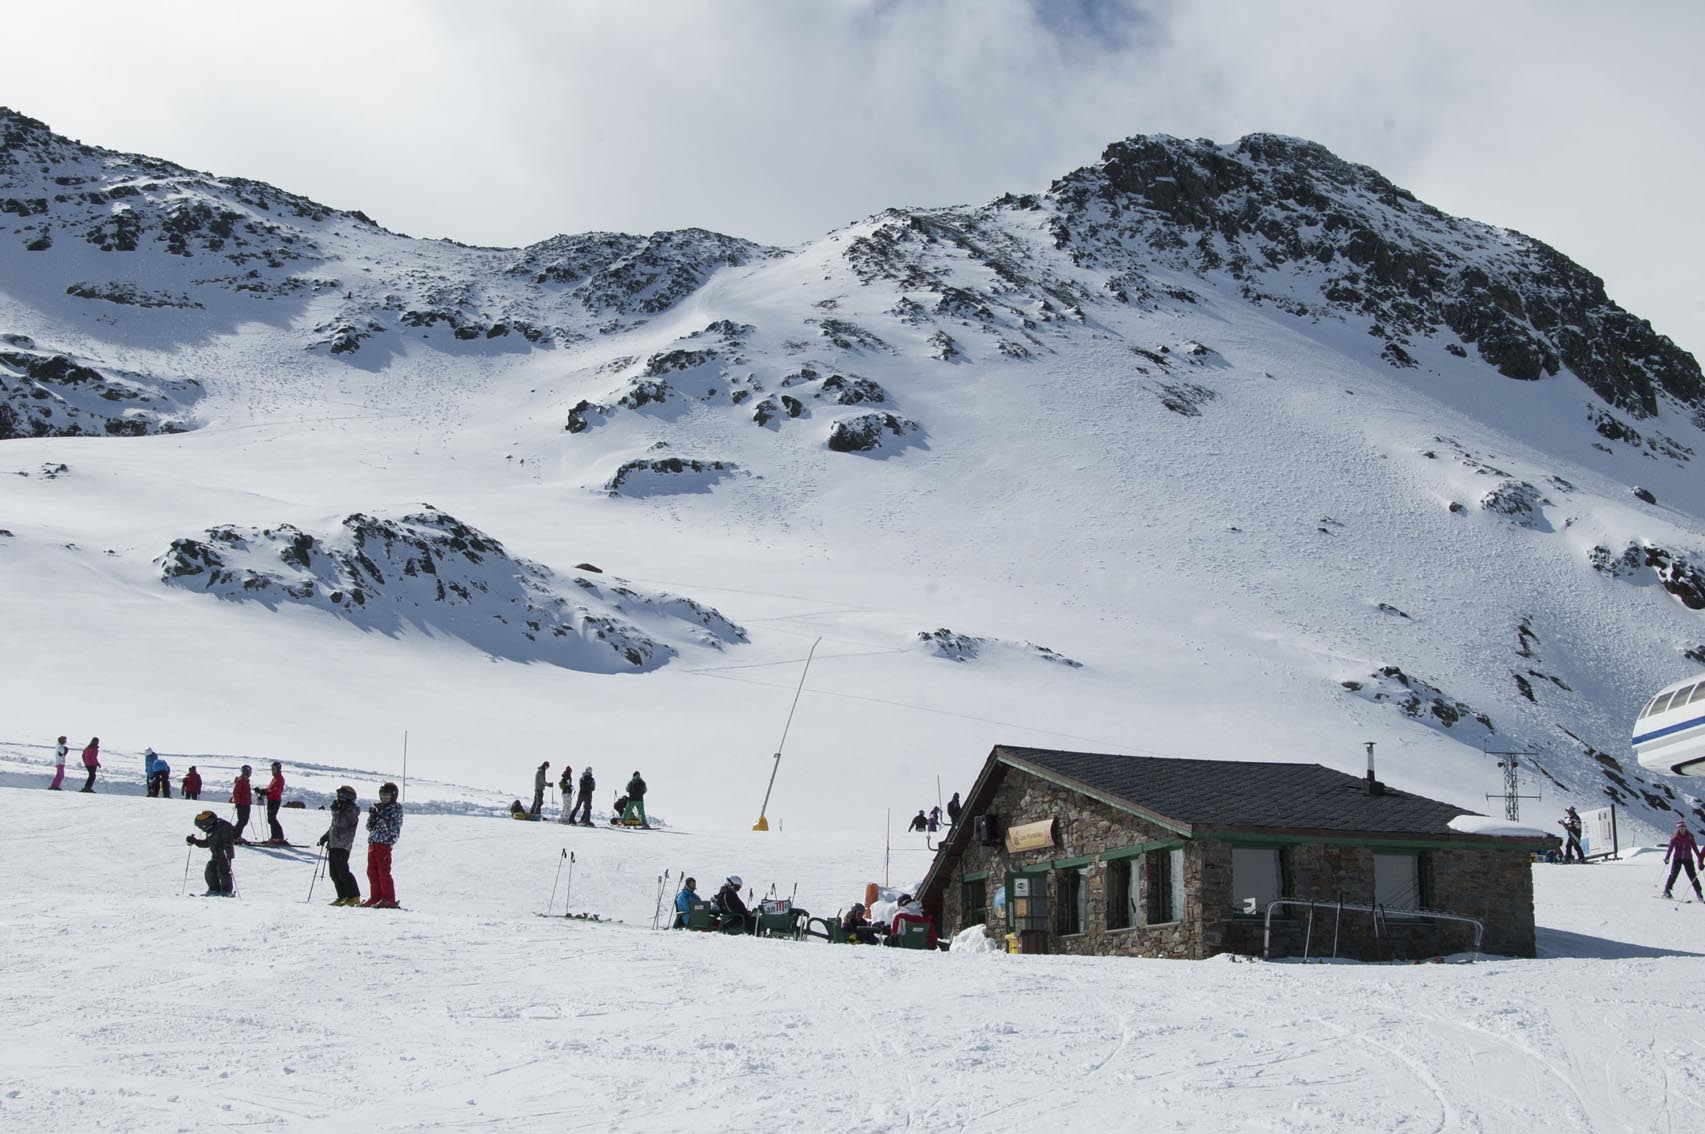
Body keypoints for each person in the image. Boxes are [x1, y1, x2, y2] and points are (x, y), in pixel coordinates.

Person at [317, 785, 362, 906]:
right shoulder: (340, 809)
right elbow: (334, 826)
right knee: (334, 873)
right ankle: (342, 895)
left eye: (339, 796)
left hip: (343, 844)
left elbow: (342, 824)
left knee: (343, 871)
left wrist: (337, 811)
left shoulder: (351, 811)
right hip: (334, 843)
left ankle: (353, 895)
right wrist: (326, 836)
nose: (337, 798)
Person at [363, 781, 403, 908]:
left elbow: (393, 829)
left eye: (387, 796)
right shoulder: (379, 808)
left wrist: (381, 817)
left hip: (384, 844)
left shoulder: (395, 809)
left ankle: (388, 899)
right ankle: (376, 897)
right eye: (383, 795)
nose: (384, 798)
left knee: (383, 872)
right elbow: (369, 827)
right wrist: (373, 817)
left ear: (393, 796)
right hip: (373, 843)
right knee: (371, 872)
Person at [186, 809, 237, 896]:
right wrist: (194, 841)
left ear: (206, 824)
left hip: (225, 854)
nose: (201, 829)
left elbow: (230, 837)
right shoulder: (211, 829)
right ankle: (214, 889)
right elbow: (207, 843)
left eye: (200, 827)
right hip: (216, 854)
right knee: (210, 870)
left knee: (223, 871)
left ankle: (226, 891)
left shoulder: (222, 826)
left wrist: (224, 846)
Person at [1663, 820, 1703, 900]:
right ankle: (1667, 890)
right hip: (1677, 858)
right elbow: (1670, 848)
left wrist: (1700, 858)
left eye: (1683, 828)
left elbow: (1695, 848)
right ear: (1678, 829)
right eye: (1680, 828)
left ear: (1685, 828)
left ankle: (1699, 893)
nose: (1682, 830)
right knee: (1673, 874)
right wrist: (1667, 857)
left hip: (1688, 858)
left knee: (1692, 875)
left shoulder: (1690, 837)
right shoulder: (1675, 838)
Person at [261, 760, 287, 845]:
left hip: (275, 800)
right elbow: (270, 789)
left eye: (274, 769)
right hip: (271, 799)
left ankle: (277, 837)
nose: (272, 770)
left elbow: (277, 790)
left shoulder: (279, 778)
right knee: (271, 819)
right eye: (271, 769)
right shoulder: (275, 778)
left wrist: (267, 792)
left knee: (272, 819)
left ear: (278, 769)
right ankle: (275, 837)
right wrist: (262, 791)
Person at [231, 765, 254, 844]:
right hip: (242, 804)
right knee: (242, 821)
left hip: (246, 803)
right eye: (249, 771)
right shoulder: (241, 781)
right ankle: (234, 836)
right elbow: (236, 792)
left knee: (243, 821)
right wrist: (237, 802)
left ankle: (236, 835)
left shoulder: (245, 780)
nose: (250, 773)